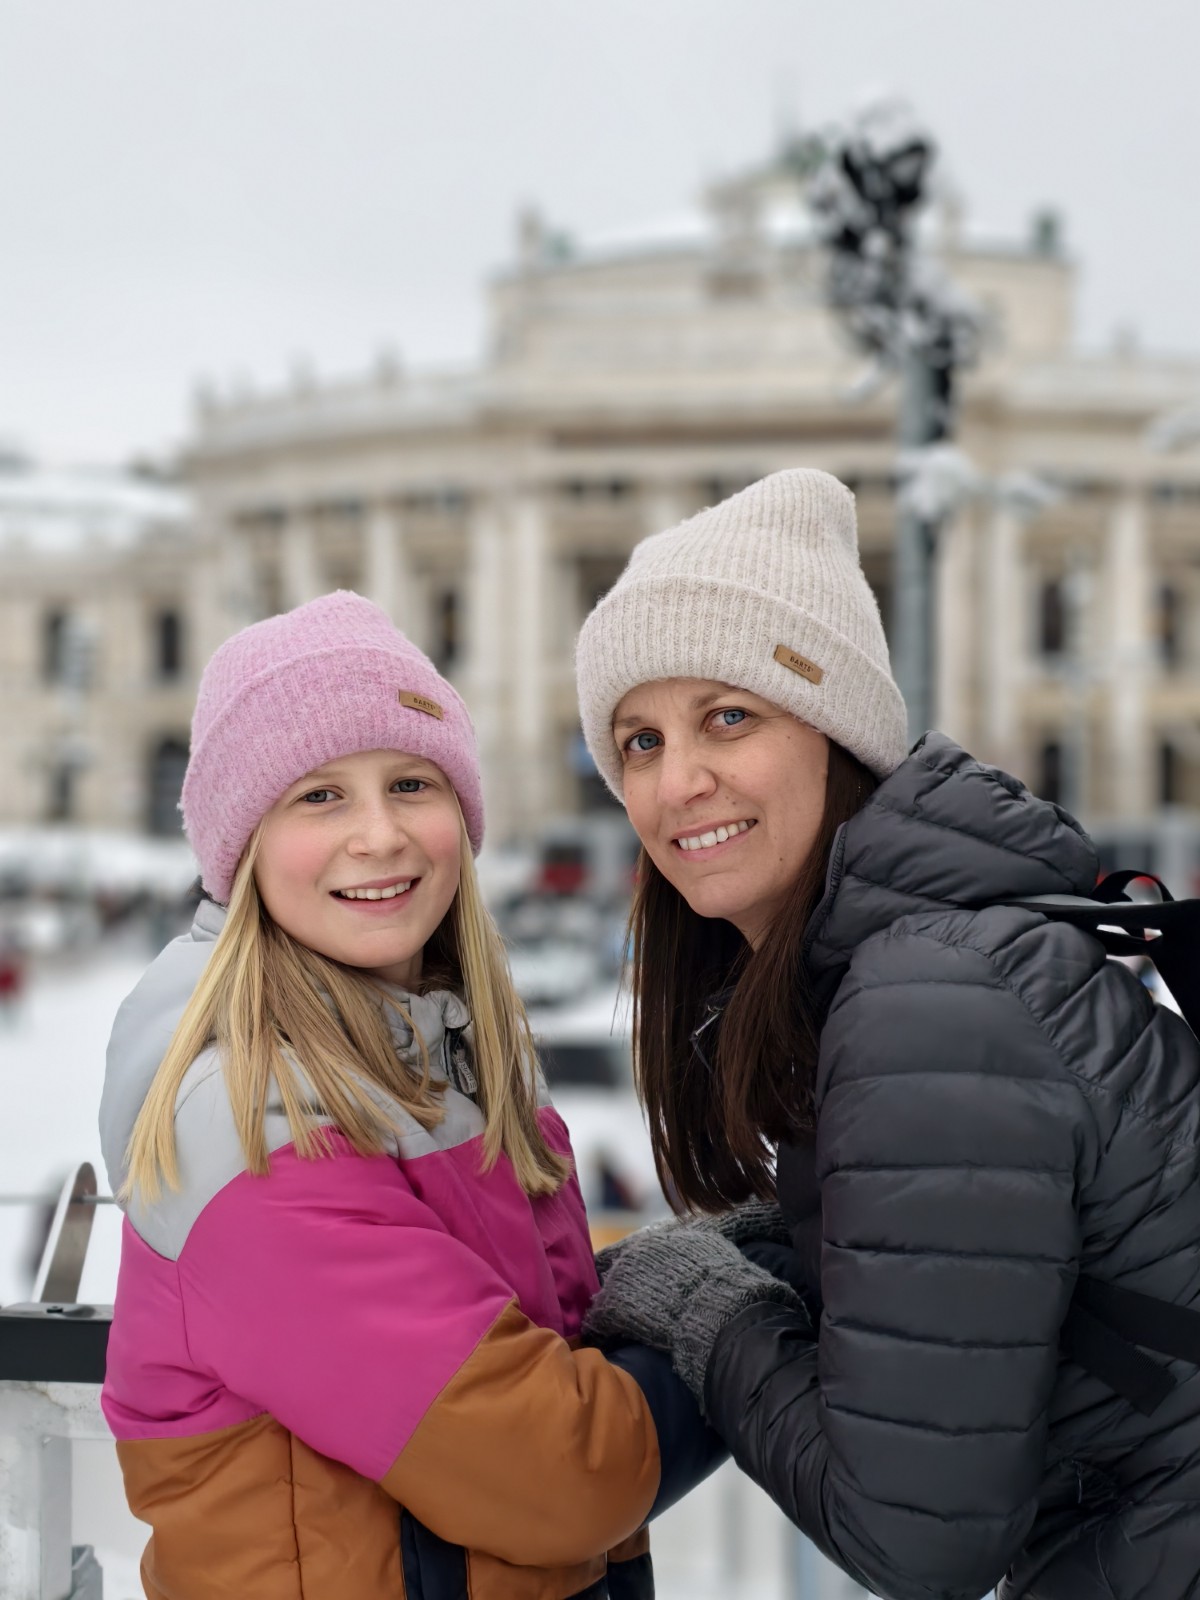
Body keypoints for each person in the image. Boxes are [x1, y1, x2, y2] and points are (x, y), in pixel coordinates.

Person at [573, 469, 1200, 1600]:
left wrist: (712, 1312)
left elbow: (918, 1537)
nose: (679, 781)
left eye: (729, 716)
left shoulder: (928, 1001)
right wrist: (790, 1240)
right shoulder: (936, 959)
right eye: (639, 741)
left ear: (836, 732)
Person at [99, 591, 721, 1600]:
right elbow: (559, 1474)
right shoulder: (252, 1130)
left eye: (411, 783)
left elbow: (530, 1340)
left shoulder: (458, 1062)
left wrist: (679, 1273)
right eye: (319, 796)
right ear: (240, 847)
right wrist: (736, 1331)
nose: (381, 835)